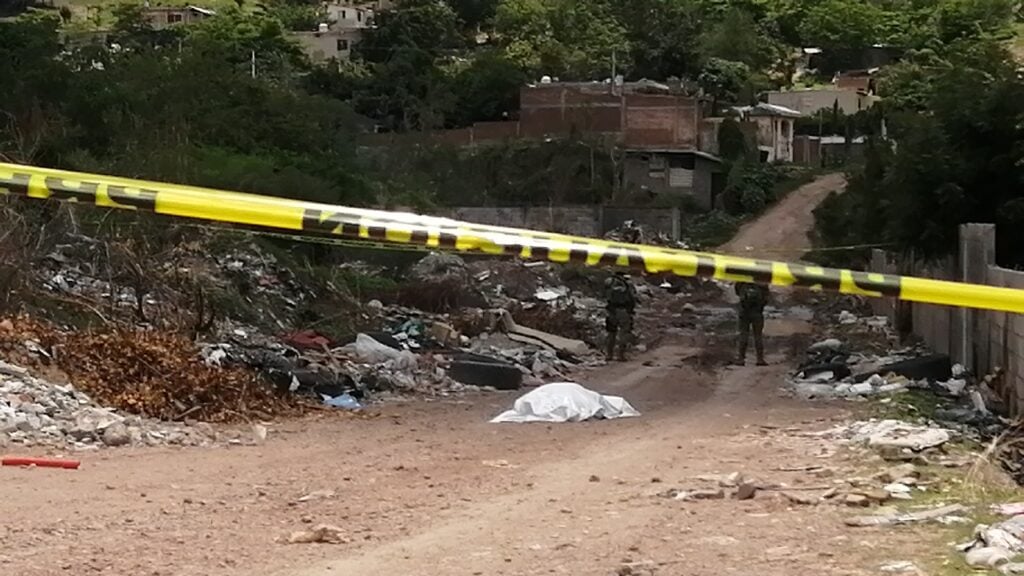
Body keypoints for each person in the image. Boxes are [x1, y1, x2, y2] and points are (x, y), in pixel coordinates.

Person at [604, 271, 637, 361]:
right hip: (623, 311)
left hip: (611, 310)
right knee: (624, 332)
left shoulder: (609, 282)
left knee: (611, 333)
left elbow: (605, 295)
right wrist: (631, 309)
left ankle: (609, 355)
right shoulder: (626, 284)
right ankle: (620, 355)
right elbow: (632, 298)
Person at [735, 281, 769, 366]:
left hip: (744, 312)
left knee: (743, 335)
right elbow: (766, 297)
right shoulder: (761, 282)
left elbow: (737, 292)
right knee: (758, 336)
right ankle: (760, 359)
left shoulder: (742, 281)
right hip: (757, 313)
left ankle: (741, 359)